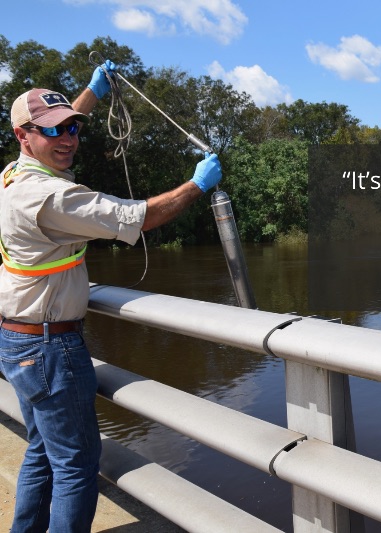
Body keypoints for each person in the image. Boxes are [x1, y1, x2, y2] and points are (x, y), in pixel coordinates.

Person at [0, 61, 222, 532]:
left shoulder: (11, 177)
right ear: (23, 136)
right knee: (77, 465)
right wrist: (197, 185)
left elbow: (58, 129)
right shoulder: (50, 198)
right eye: (54, 131)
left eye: (73, 127)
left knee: (43, 452)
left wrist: (90, 95)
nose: (68, 138)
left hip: (18, 341)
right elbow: (137, 217)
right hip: (49, 348)